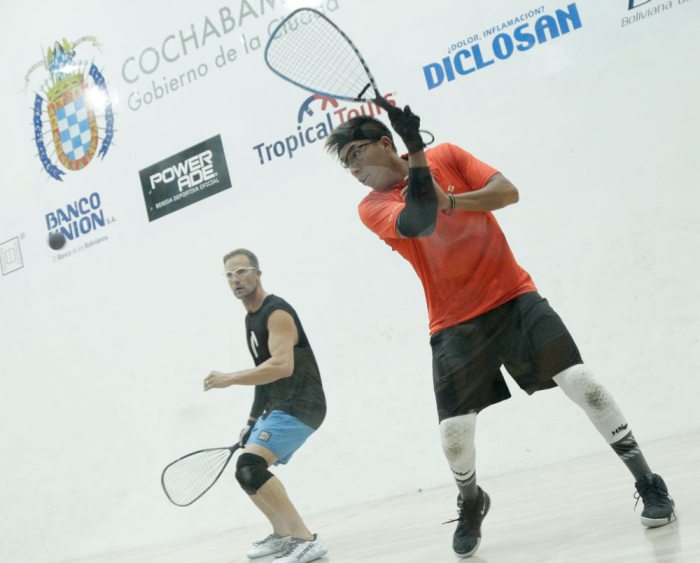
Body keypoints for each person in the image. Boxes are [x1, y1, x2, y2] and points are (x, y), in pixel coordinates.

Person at [324, 104, 676, 558]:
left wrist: (453, 197)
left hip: (515, 298)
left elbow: (507, 193)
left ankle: (648, 481)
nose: (354, 169)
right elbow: (418, 220)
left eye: (356, 154)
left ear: (384, 143)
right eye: (346, 165)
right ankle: (472, 501)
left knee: (584, 385)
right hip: (454, 324)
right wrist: (416, 150)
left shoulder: (448, 156)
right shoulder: (372, 206)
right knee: (454, 437)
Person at [204, 248, 327, 563]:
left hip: (303, 404)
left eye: (241, 271)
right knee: (244, 472)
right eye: (229, 275)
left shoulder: (276, 313)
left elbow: (281, 366)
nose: (235, 279)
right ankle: (282, 533)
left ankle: (305, 539)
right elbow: (264, 373)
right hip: (280, 404)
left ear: (258, 274)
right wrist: (250, 421)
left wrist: (230, 378)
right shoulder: (251, 318)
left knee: (251, 465)